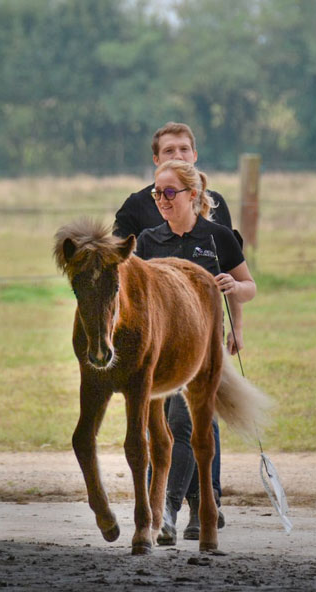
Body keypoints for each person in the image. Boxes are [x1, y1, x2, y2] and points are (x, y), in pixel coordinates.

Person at [113, 122, 242, 542]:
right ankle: (178, 504)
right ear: (155, 159)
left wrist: (236, 321)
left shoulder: (216, 217)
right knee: (163, 421)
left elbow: (237, 275)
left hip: (199, 334)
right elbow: (122, 273)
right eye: (169, 149)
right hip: (158, 337)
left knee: (193, 421)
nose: (177, 155)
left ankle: (194, 503)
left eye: (184, 148)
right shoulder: (141, 217)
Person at [135, 159, 256, 545]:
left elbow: (249, 285)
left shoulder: (218, 236)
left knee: (184, 424)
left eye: (170, 193)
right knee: (161, 428)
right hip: (159, 347)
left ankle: (168, 509)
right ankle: (187, 508)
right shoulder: (148, 241)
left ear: (193, 195)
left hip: (201, 346)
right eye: (157, 193)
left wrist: (234, 299)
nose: (162, 200)